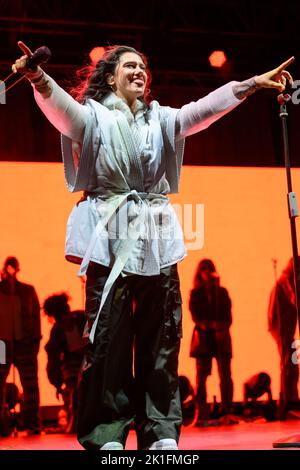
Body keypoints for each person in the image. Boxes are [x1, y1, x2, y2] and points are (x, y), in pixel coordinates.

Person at [11, 40, 294, 450]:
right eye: (130, 66)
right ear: (110, 77)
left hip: (158, 241)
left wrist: (249, 84)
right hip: (110, 242)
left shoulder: (161, 120)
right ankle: (106, 431)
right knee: (107, 338)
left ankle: (160, 431)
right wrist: (37, 78)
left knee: (162, 338)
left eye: (143, 66)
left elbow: (203, 110)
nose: (140, 71)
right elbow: (62, 110)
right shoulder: (92, 119)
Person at [0, 256, 41, 435]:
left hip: (24, 342)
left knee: (30, 385)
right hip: (2, 343)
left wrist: (35, 340)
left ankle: (31, 421)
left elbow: (36, 317)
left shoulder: (28, 291)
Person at [189, 259, 233, 422]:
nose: (208, 271)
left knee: (226, 376)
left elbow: (229, 316)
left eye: (210, 268)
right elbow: (196, 316)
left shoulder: (222, 292)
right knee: (201, 378)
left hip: (221, 338)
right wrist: (211, 326)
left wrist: (220, 327)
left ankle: (227, 411)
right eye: (204, 269)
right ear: (199, 273)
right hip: (203, 340)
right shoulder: (195, 293)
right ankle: (202, 412)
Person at [43, 293, 85, 434]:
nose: (63, 321)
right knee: (73, 388)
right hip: (70, 364)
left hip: (89, 358)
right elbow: (53, 358)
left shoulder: (82, 318)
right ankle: (74, 417)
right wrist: (57, 384)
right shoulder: (57, 331)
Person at [268, 258, 300, 414]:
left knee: (292, 361)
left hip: (285, 327)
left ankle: (291, 397)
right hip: (281, 326)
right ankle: (288, 400)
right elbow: (295, 300)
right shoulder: (286, 281)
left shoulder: (287, 280)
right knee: (288, 361)